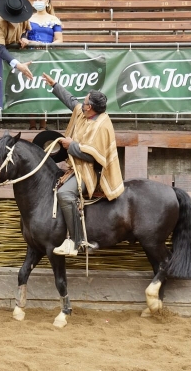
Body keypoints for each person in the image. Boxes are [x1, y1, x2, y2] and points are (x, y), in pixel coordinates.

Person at [41, 72, 125, 257]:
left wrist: (72, 146)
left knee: (64, 193)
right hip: (76, 166)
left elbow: (95, 158)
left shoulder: (102, 126)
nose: (82, 104)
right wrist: (54, 85)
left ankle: (76, 242)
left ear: (91, 108)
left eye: (85, 102)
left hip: (91, 172)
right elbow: (71, 101)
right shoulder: (83, 113)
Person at [21, 0, 62, 130]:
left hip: (47, 56)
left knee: (45, 88)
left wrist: (46, 46)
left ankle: (44, 124)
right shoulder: (28, 19)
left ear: (47, 2)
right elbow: (23, 37)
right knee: (31, 88)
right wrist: (24, 40)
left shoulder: (54, 20)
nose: (37, 2)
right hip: (31, 56)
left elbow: (59, 40)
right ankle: (32, 124)